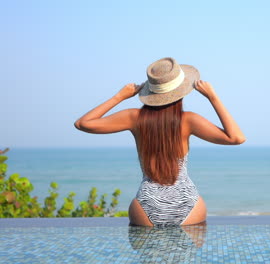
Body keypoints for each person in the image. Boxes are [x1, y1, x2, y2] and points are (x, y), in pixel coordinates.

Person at [74, 57, 245, 226]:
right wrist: (212, 97)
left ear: (150, 91)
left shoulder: (134, 118)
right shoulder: (188, 120)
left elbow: (83, 123)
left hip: (146, 203)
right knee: (185, 252)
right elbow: (236, 138)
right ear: (182, 90)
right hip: (187, 203)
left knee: (150, 251)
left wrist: (120, 96)